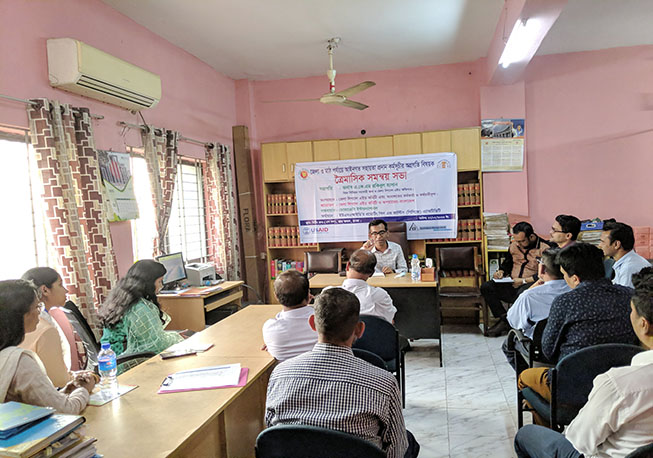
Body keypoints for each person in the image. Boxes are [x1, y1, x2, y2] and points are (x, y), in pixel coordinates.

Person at [514, 267, 653, 457]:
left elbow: (578, 441)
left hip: (570, 388)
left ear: (644, 324)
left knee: (525, 435)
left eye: (631, 311)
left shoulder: (619, 384)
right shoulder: (623, 293)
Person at [265, 288, 419, 458]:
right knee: (408, 441)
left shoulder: (280, 373)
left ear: (312, 324)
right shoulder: (383, 382)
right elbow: (396, 450)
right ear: (360, 329)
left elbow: (271, 430)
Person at [517, 243, 636, 423]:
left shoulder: (565, 302)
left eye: (564, 276)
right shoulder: (630, 296)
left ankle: (549, 438)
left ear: (575, 278)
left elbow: (548, 351)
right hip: (621, 385)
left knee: (524, 377)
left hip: (573, 389)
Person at [0, 280, 95, 414]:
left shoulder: (5, 356)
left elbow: (34, 401)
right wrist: (84, 389)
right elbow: (65, 410)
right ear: (21, 314)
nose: (39, 312)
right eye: (36, 307)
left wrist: (63, 393)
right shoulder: (19, 362)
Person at [98, 260, 183, 372]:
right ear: (149, 283)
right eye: (160, 282)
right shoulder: (139, 308)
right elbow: (154, 344)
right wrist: (178, 337)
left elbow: (145, 337)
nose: (161, 286)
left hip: (114, 362)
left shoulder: (122, 298)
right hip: (125, 364)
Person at [502, 248, 570, 369]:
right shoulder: (577, 291)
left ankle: (527, 380)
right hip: (570, 348)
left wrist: (530, 289)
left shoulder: (529, 296)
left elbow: (513, 321)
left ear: (542, 268)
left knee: (508, 343)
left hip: (541, 352)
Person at [482, 222, 553, 337]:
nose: (518, 244)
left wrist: (523, 281)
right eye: (516, 241)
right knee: (487, 287)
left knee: (523, 294)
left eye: (521, 241)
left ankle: (510, 323)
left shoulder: (545, 248)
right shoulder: (514, 245)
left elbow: (546, 273)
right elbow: (507, 263)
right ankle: (504, 319)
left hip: (531, 284)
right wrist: (501, 271)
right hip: (512, 282)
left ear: (531, 236)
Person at [19, 267, 72, 387]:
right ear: (45, 290)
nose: (66, 291)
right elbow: (57, 380)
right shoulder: (40, 325)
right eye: (60, 285)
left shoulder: (41, 318)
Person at [262, 269, 317, 361]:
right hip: (320, 372)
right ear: (308, 294)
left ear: (276, 296)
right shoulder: (323, 321)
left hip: (285, 374)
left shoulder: (270, 328)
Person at [337, 249, 397, 323]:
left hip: (341, 334)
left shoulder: (329, 294)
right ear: (372, 273)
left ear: (347, 265)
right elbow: (389, 322)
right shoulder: (380, 295)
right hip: (372, 333)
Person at [599, 221, 651, 288]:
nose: (599, 245)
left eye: (602, 242)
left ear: (616, 244)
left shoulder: (629, 268)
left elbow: (623, 297)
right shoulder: (624, 262)